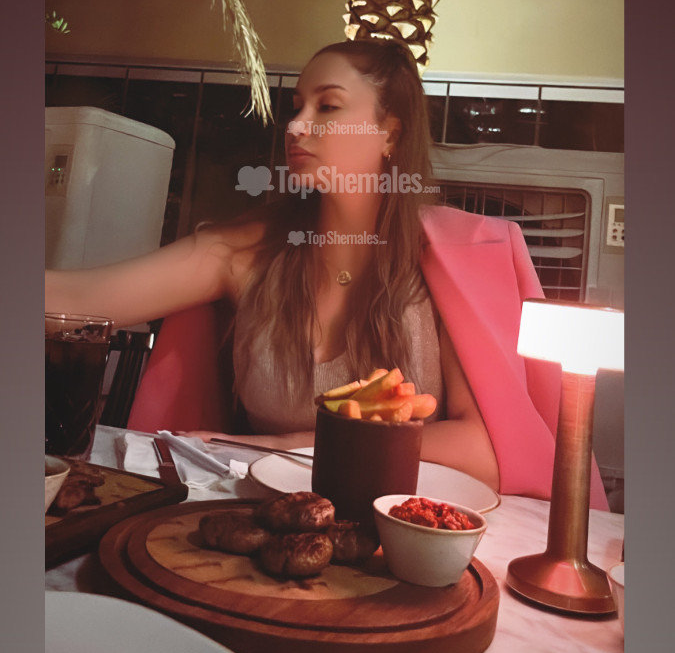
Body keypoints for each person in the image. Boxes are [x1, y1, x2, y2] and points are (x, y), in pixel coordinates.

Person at [45, 39, 608, 507]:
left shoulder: (446, 264)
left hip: (407, 536)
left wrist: (285, 443)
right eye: (296, 106)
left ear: (390, 133)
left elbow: (481, 451)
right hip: (268, 520)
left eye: (328, 107)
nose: (296, 125)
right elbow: (75, 299)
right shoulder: (241, 253)